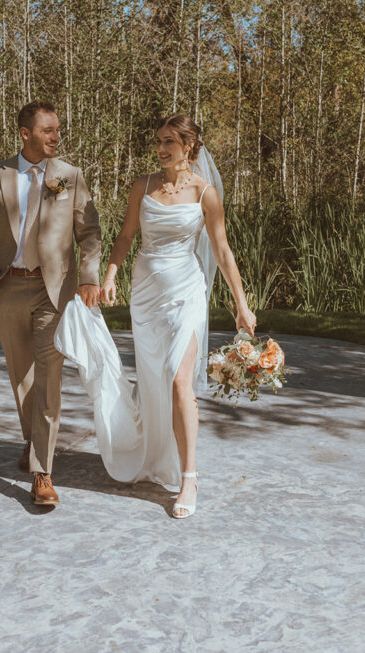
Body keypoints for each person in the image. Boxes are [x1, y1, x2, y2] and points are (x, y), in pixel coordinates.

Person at [55, 113, 256, 518]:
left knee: (181, 381)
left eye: (169, 142)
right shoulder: (142, 186)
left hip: (186, 291)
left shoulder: (205, 193)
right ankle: (154, 454)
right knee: (153, 380)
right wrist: (110, 277)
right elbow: (127, 235)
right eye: (158, 142)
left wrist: (241, 303)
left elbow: (222, 250)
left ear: (189, 147)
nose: (161, 149)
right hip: (146, 294)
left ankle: (188, 478)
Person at [0, 100, 101, 506]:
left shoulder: (69, 176)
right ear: (25, 134)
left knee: (48, 377)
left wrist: (90, 277)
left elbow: (89, 233)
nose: (56, 136)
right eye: (48, 130)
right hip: (7, 286)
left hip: (53, 290)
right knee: (20, 374)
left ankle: (42, 471)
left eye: (57, 129)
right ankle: (32, 439)